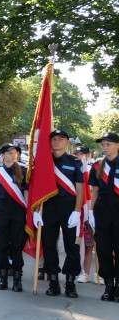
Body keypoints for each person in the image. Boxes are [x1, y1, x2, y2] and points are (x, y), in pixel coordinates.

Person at [33, 129, 84, 297]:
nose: (57, 142)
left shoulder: (75, 162)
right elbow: (38, 187)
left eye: (61, 139)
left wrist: (77, 210)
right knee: (49, 244)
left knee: (71, 245)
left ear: (67, 142)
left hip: (68, 205)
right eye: (54, 139)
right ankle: (53, 281)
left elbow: (80, 188)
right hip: (48, 206)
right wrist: (37, 209)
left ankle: (70, 282)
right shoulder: (44, 162)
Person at [0, 144, 29, 291]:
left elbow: (26, 193)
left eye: (15, 153)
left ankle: (17, 279)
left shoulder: (23, 171)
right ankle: (3, 278)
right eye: (10, 153)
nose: (13, 155)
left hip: (18, 212)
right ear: (2, 155)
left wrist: (28, 211)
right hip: (1, 212)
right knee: (2, 246)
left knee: (17, 246)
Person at [89, 132, 119, 301]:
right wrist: (91, 212)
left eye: (108, 144)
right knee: (104, 249)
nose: (105, 147)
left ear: (117, 145)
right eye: (103, 145)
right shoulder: (96, 166)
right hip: (103, 210)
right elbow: (94, 191)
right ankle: (109, 284)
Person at [74, 144, 97, 284]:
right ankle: (86, 272)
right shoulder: (75, 170)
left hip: (95, 209)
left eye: (81, 154)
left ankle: (100, 273)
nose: (78, 157)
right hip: (83, 212)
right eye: (76, 155)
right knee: (87, 243)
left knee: (101, 245)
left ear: (87, 155)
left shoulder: (93, 169)